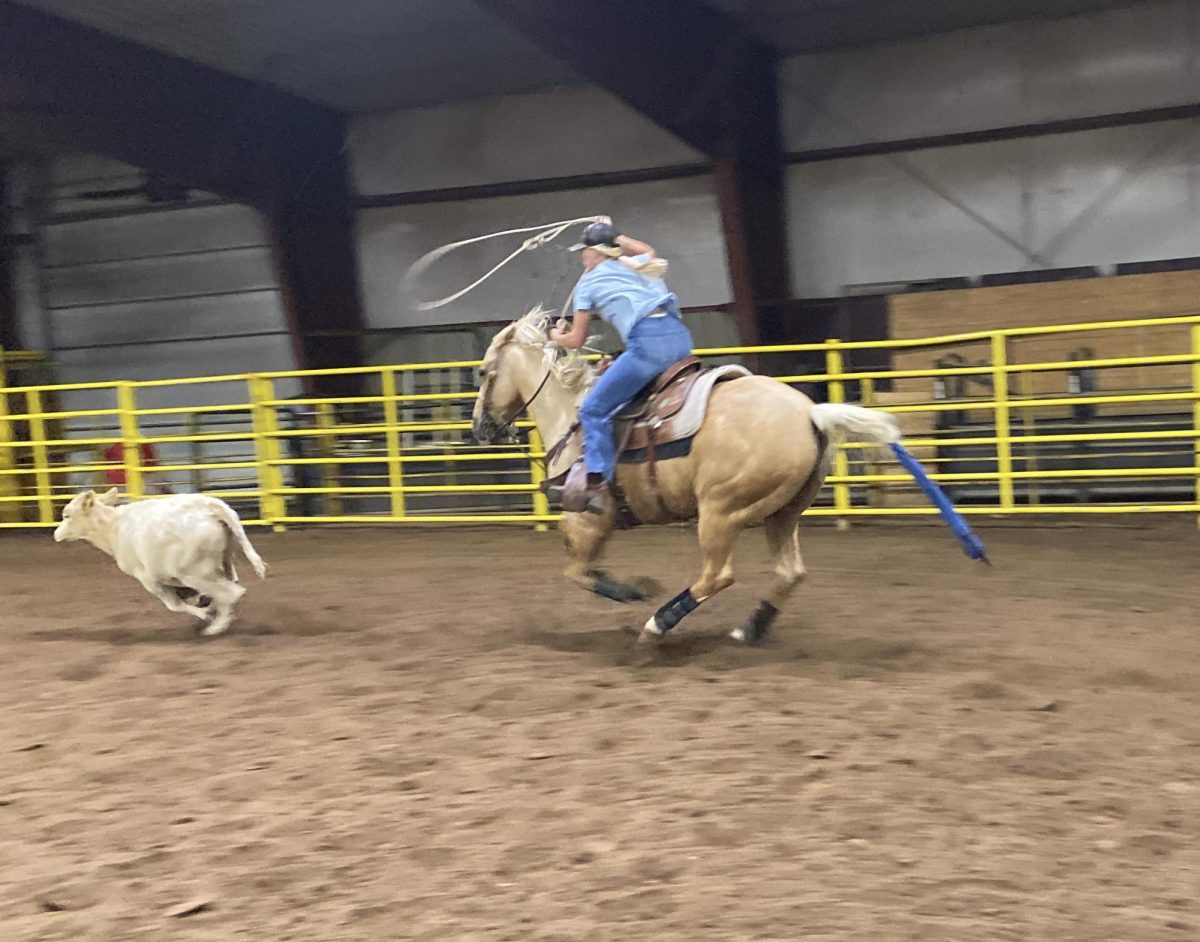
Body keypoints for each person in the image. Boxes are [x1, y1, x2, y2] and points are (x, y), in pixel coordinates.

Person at [550, 216, 694, 513]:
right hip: (679, 340)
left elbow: (576, 340)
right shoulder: (637, 265)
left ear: (597, 252)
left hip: (647, 346)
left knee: (593, 409)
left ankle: (598, 483)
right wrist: (617, 235)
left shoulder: (588, 284)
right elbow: (649, 251)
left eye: (585, 250)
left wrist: (556, 336)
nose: (582, 255)